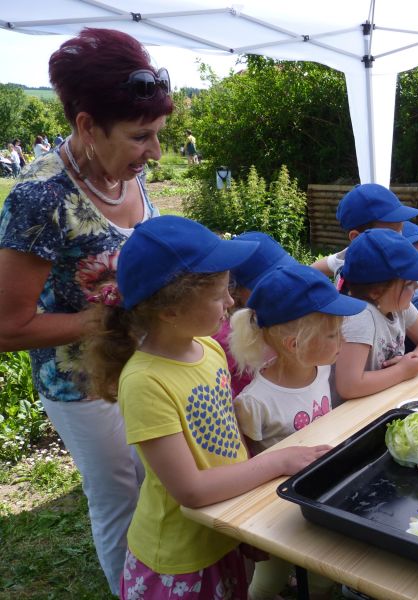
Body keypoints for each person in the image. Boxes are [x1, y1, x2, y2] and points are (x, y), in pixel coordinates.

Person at [0, 28, 173, 595]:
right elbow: (7, 327)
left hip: (145, 365)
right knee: (119, 496)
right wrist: (114, 319)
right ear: (87, 125)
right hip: (82, 383)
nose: (155, 152)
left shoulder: (127, 171)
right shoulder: (40, 197)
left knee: (160, 478)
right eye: (141, 136)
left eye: (157, 134)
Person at [82, 215, 331, 597]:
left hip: (221, 526)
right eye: (218, 295)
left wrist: (245, 516)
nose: (231, 302)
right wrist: (277, 462)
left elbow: (227, 437)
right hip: (180, 556)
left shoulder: (210, 349)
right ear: (170, 311)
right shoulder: (145, 382)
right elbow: (191, 490)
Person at [229, 264, 365, 598]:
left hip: (320, 492)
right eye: (333, 335)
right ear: (294, 344)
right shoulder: (255, 402)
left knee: (322, 575)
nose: (343, 340)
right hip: (278, 510)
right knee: (269, 578)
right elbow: (248, 463)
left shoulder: (321, 371)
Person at [335, 229, 418, 400]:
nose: (417, 287)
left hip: (385, 397)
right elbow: (348, 386)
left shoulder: (398, 304)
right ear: (376, 292)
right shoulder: (359, 317)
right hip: (355, 411)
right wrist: (402, 371)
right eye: (409, 283)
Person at [214, 231, 297, 397]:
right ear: (235, 290)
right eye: (268, 285)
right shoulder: (225, 339)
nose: (281, 289)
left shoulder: (281, 314)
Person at [311, 183, 418, 287]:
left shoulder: (348, 255)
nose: (402, 240)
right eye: (391, 234)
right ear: (356, 238)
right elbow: (312, 270)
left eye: (401, 230)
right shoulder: (355, 276)